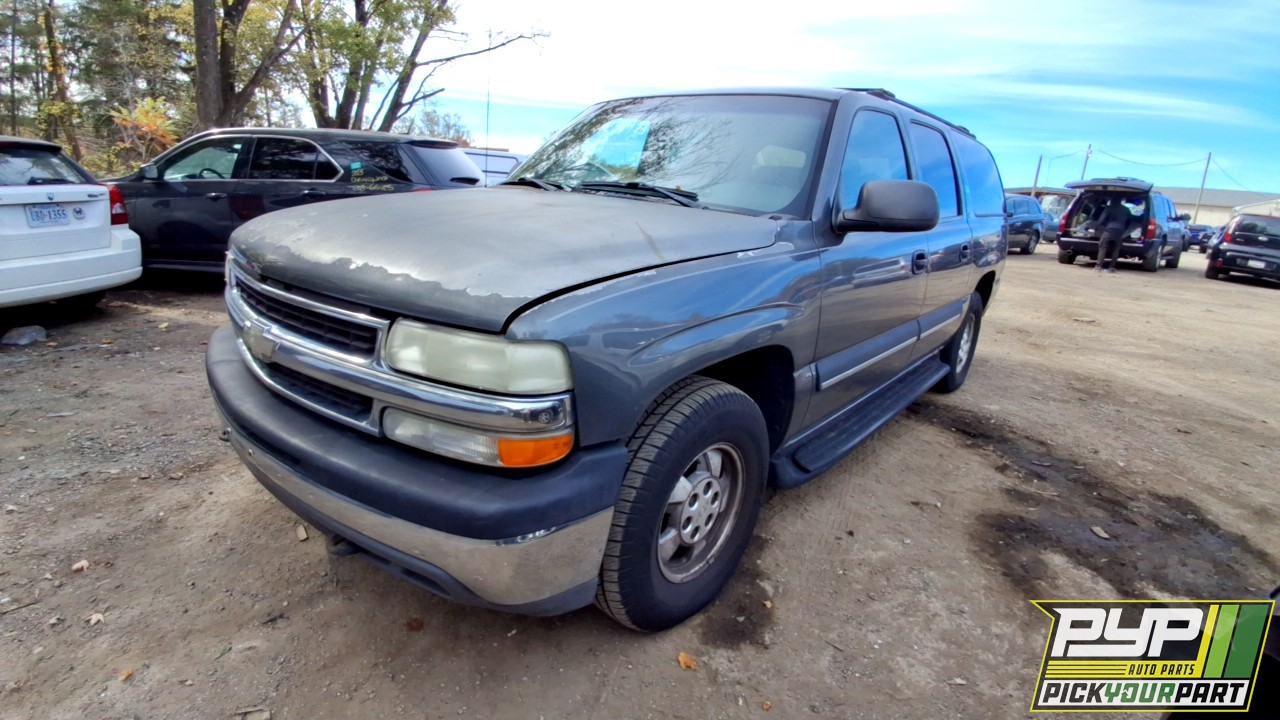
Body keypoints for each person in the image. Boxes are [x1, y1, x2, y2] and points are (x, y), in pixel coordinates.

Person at [1096, 197, 1132, 273]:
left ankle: (1098, 266)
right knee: (1116, 249)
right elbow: (1130, 221)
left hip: (1108, 230)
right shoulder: (1126, 209)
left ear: (1112, 201)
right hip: (1120, 231)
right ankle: (1112, 267)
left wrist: (1098, 227)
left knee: (1103, 247)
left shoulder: (1109, 208)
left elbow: (1101, 220)